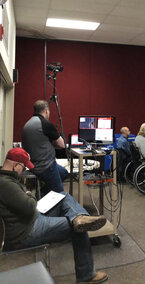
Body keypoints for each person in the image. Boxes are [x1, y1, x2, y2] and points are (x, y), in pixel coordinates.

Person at [0, 148, 108, 283]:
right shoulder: (6, 184)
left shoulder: (7, 179)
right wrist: (30, 196)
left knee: (62, 196)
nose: (24, 171)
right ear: (15, 165)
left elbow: (25, 203)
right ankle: (86, 276)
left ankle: (79, 217)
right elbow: (29, 207)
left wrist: (28, 196)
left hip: (29, 219)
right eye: (23, 167)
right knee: (78, 229)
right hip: (27, 231)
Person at [22, 100, 68, 196]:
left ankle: (42, 193)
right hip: (46, 167)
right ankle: (43, 197)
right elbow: (62, 145)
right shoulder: (45, 124)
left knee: (64, 173)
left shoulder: (27, 124)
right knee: (59, 196)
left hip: (32, 165)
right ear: (46, 111)